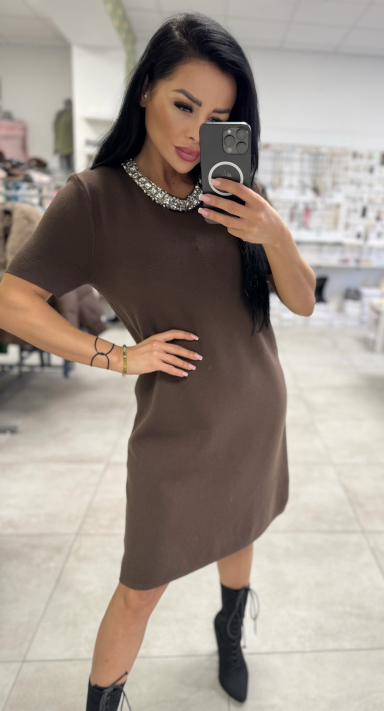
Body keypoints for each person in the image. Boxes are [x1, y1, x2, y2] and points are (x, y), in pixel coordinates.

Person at [0, 12, 316, 710]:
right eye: (184, 105)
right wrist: (116, 355)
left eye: (219, 118)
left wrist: (273, 232)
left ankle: (230, 635)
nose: (195, 132)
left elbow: (302, 302)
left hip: (256, 411)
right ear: (145, 89)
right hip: (175, 429)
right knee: (140, 588)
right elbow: (12, 300)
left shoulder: (236, 193)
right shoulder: (94, 200)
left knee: (242, 529)